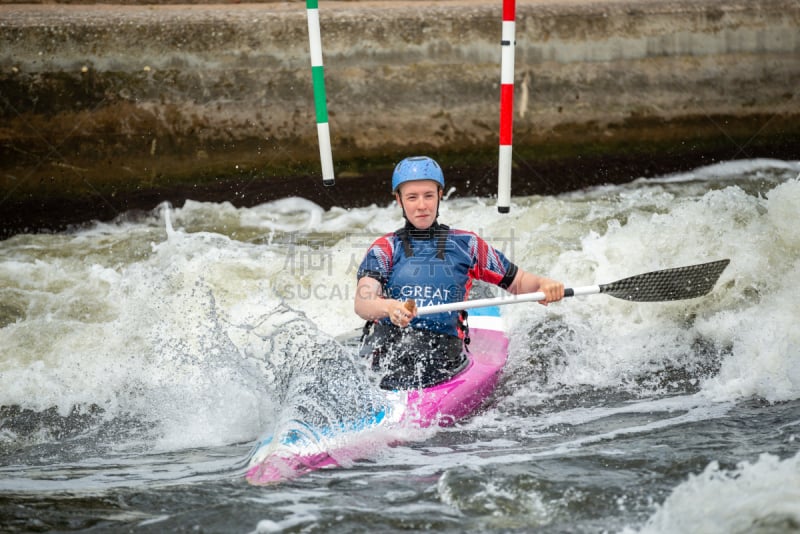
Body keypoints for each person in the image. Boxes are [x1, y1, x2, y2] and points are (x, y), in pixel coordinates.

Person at [354, 156, 564, 390]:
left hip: (445, 362)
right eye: (412, 197)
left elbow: (520, 282)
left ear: (440, 195)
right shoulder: (384, 248)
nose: (421, 205)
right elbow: (363, 302)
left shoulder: (467, 245)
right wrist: (390, 307)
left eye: (428, 195)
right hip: (388, 358)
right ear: (399, 200)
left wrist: (544, 285)